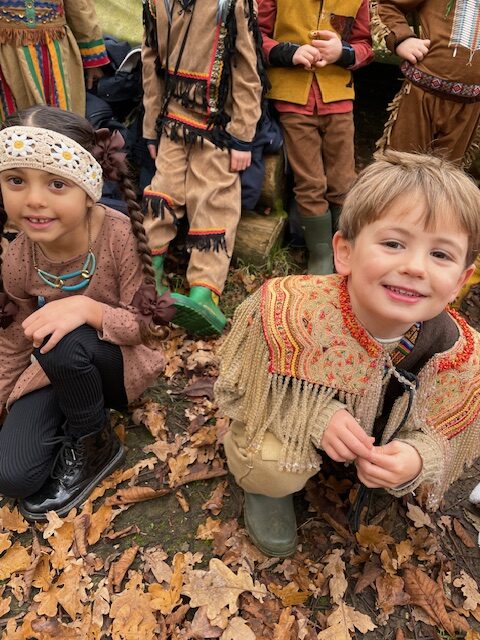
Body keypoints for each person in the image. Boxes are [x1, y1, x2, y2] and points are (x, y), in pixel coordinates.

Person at [215, 150, 480, 557]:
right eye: (393, 243)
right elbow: (247, 388)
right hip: (290, 429)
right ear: (345, 253)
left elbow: (442, 430)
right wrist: (317, 416)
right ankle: (263, 486)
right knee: (270, 459)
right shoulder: (292, 312)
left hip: (373, 443)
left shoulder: (455, 351)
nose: (415, 267)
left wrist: (415, 457)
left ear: (461, 280)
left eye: (440, 254)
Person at [0, 105, 174, 521]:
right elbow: (13, 340)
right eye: (16, 181)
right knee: (14, 477)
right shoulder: (17, 259)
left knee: (64, 337)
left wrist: (87, 308)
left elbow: (145, 328)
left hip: (116, 362)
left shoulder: (118, 237)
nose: (35, 200)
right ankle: (69, 413)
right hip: (52, 367)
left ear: (88, 187)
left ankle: (95, 442)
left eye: (57, 183)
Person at [141, 0, 264, 336]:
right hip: (172, 122)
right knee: (161, 194)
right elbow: (150, 65)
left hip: (217, 127)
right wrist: (151, 128)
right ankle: (147, 275)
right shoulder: (156, 4)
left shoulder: (233, 4)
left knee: (214, 200)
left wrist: (241, 136)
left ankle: (204, 293)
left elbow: (247, 71)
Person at [257, 0, 373, 275]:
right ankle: (320, 254)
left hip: (338, 98)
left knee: (344, 180)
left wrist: (341, 52)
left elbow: (365, 48)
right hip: (292, 99)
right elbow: (256, 37)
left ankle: (343, 248)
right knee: (309, 180)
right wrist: (289, 52)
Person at [375, 0, 480, 165]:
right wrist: (402, 39)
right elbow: (387, 6)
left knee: (446, 179)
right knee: (401, 168)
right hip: (421, 96)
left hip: (469, 107)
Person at [0, 0, 110, 119]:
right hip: (6, 53)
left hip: (53, 52)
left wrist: (92, 57)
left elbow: (79, 8)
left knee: (59, 117)